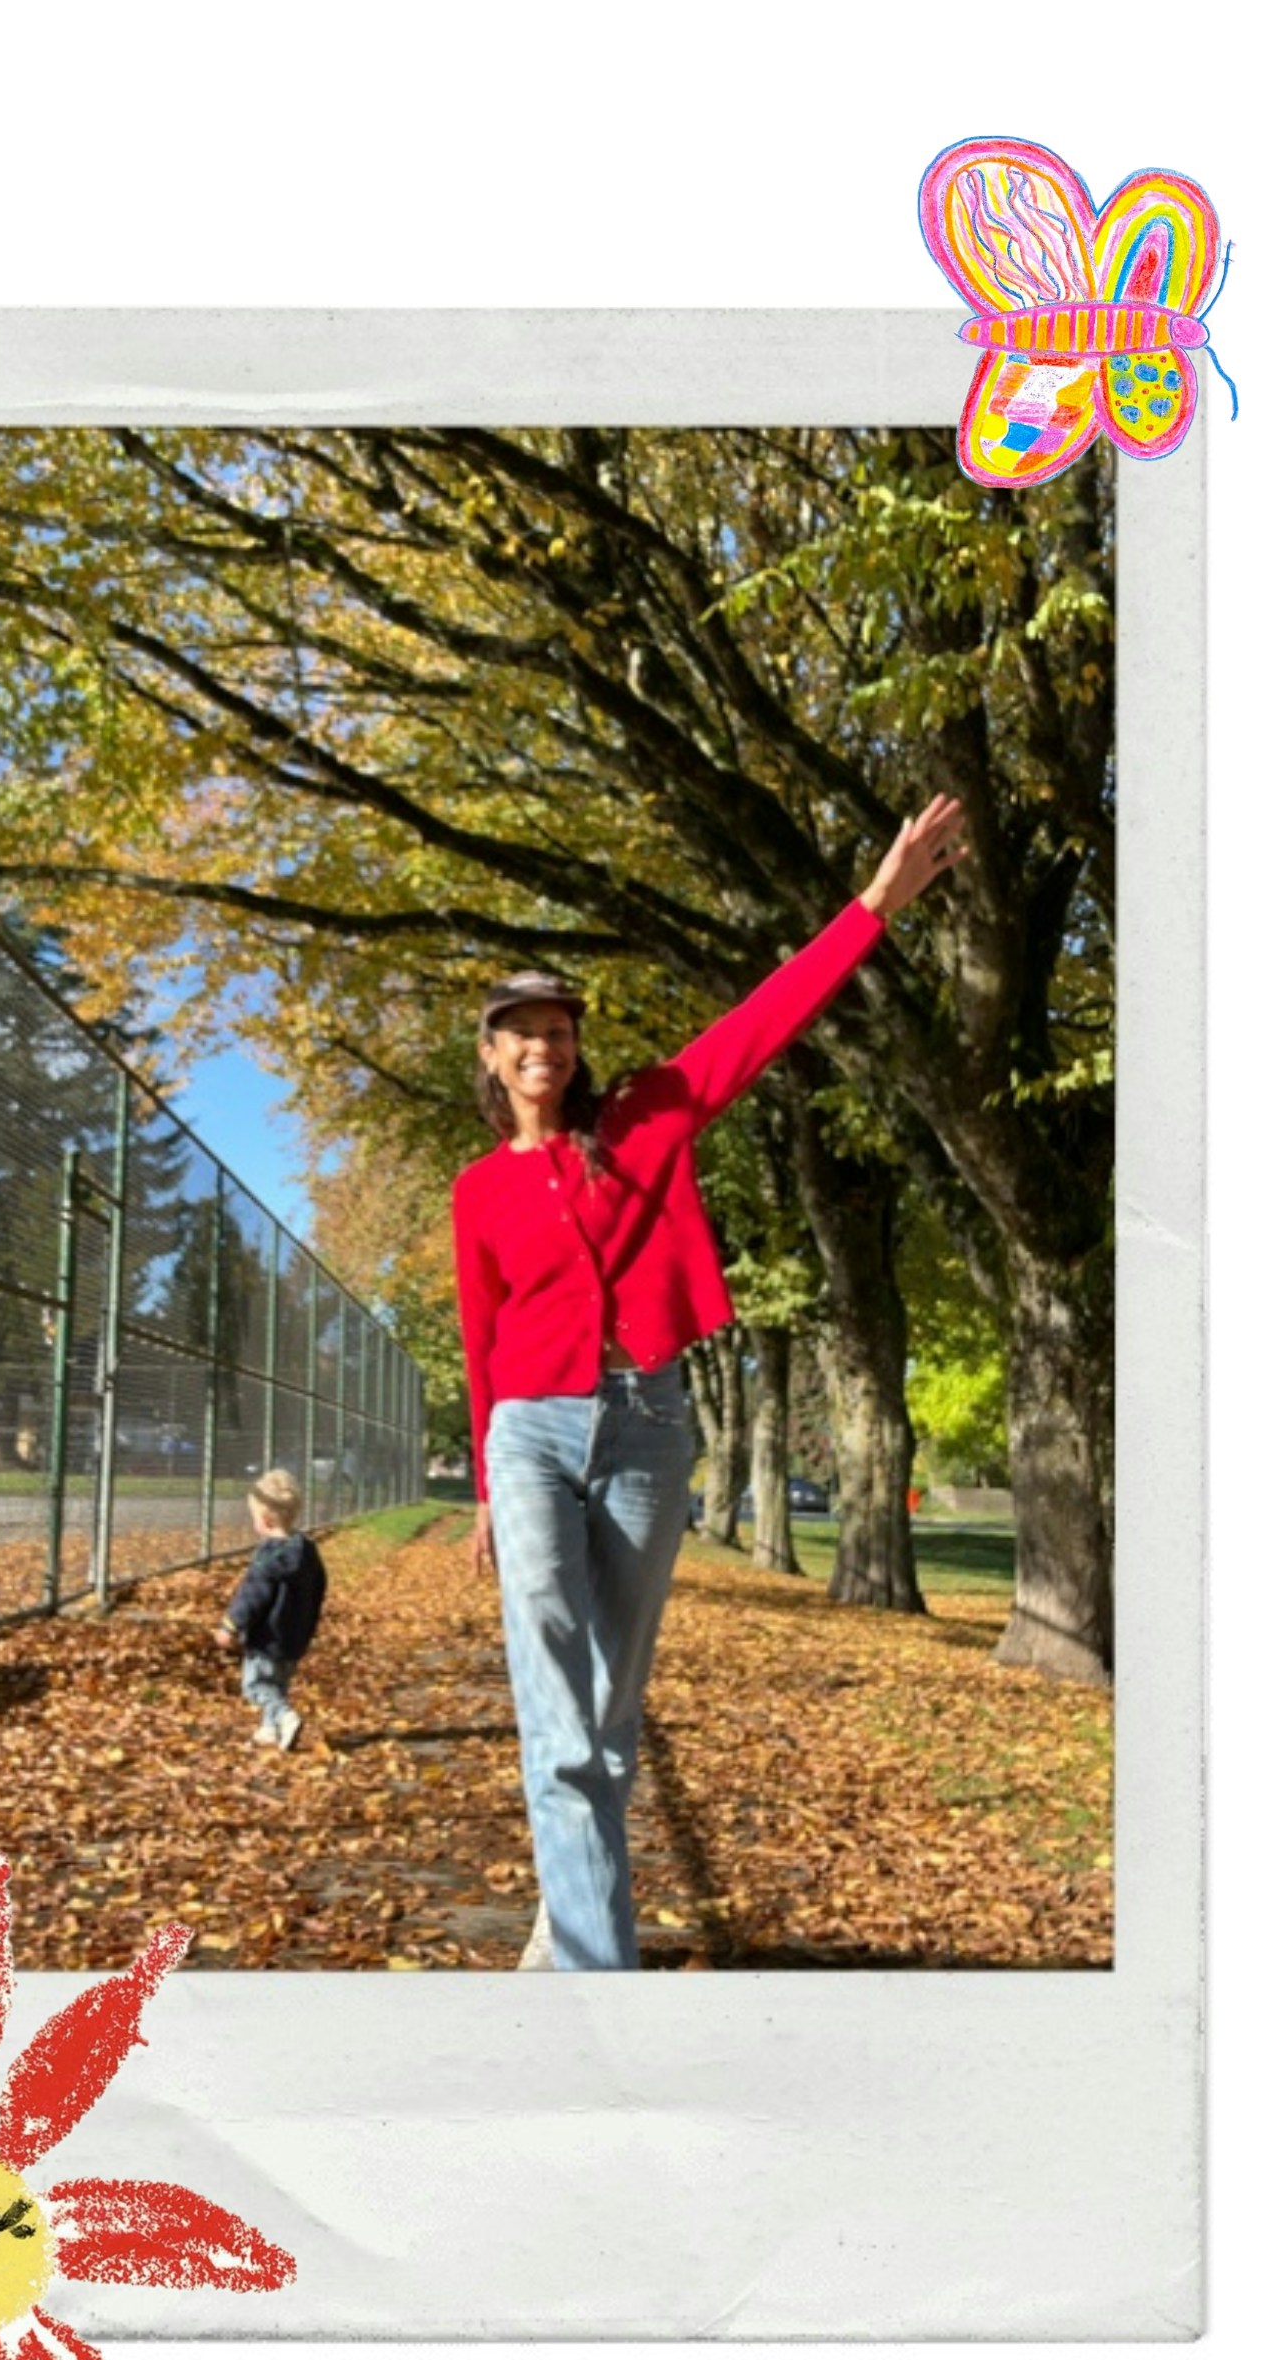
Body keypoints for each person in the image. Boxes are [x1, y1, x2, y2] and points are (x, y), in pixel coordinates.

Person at [452, 794, 969, 1972]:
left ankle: (564, 1908)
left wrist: (875, 903)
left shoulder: (641, 1120)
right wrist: (486, 1479)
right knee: (552, 1686)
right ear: (491, 1054)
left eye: (560, 1028)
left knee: (611, 1703)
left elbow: (762, 1022)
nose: (546, 1045)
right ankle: (597, 1977)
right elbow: (483, 1340)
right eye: (521, 1031)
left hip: (648, 1423)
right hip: (529, 1433)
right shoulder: (476, 1190)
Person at [220, 1468, 327, 1751]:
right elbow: (319, 1588)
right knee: (278, 1684)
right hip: (294, 1636)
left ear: (265, 1519)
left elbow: (252, 1595)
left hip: (268, 1637)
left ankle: (285, 1717)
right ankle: (270, 1729)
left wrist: (231, 1625)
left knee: (255, 1686)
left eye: (254, 1517)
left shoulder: (269, 1555)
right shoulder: (307, 1550)